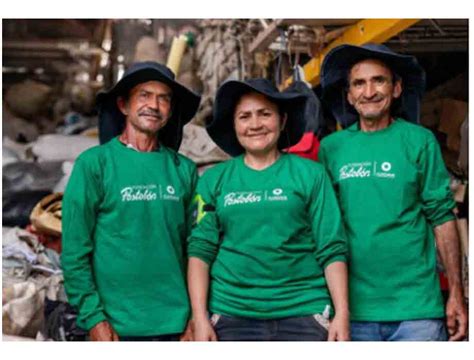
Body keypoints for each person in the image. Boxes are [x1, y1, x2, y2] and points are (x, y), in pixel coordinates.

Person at [318, 43, 468, 341]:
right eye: (359, 83)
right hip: (353, 311)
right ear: (349, 95)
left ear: (397, 89)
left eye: (379, 80)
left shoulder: (419, 141)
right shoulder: (331, 149)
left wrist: (456, 294)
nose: (369, 91)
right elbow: (324, 229)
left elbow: (441, 218)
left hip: (416, 309)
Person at [187, 78, 349, 341]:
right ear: (234, 125)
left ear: (282, 121)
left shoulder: (311, 175)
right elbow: (200, 251)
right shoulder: (213, 181)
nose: (255, 125)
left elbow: (331, 247)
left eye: (265, 114)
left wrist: (341, 313)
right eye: (245, 116)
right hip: (232, 314)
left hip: (304, 312)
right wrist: (200, 317)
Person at [61, 62, 201, 341]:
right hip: (115, 327)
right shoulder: (94, 165)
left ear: (170, 110)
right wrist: (94, 317)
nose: (154, 105)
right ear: (124, 105)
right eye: (145, 95)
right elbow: (75, 250)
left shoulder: (184, 169)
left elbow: (197, 248)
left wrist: (196, 316)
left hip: (176, 325)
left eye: (164, 98)